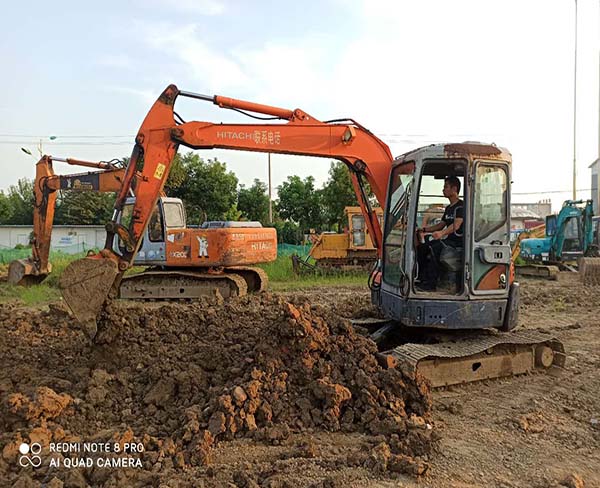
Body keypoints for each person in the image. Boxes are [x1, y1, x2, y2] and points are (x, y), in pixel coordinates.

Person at [416, 176, 464, 291]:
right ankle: (421, 278)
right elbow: (441, 224)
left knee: (434, 249)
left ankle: (431, 284)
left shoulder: (461, 207)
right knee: (422, 248)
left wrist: (442, 234)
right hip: (448, 240)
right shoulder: (448, 208)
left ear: (454, 189)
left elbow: (456, 225)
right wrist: (424, 230)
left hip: (457, 242)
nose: (443, 190)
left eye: (446, 187)